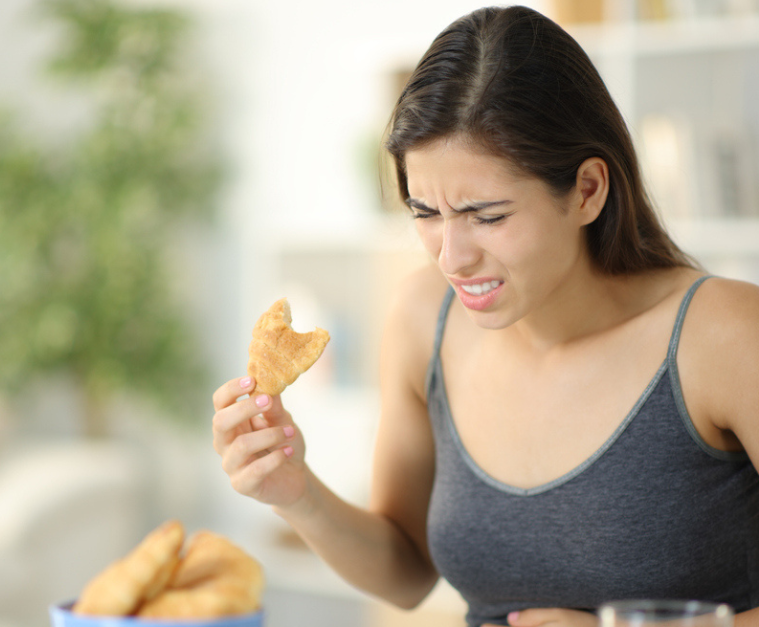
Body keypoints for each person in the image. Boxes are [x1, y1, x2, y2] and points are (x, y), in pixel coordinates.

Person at [212, 6, 759, 627]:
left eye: (488, 216)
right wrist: (298, 493)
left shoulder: (725, 336)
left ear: (587, 190)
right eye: (425, 212)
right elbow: (407, 572)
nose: (453, 257)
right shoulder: (424, 317)